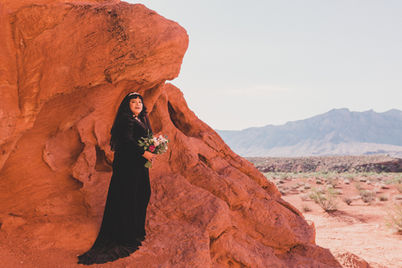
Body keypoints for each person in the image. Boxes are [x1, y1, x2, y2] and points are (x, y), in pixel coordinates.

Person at [77, 92, 156, 265]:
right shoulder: (126, 119)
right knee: (128, 197)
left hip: (139, 165)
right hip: (128, 167)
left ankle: (136, 230)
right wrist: (144, 152)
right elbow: (127, 141)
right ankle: (125, 235)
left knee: (142, 194)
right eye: (133, 102)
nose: (137, 104)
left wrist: (153, 148)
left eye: (139, 102)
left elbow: (146, 138)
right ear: (127, 105)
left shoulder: (142, 119)